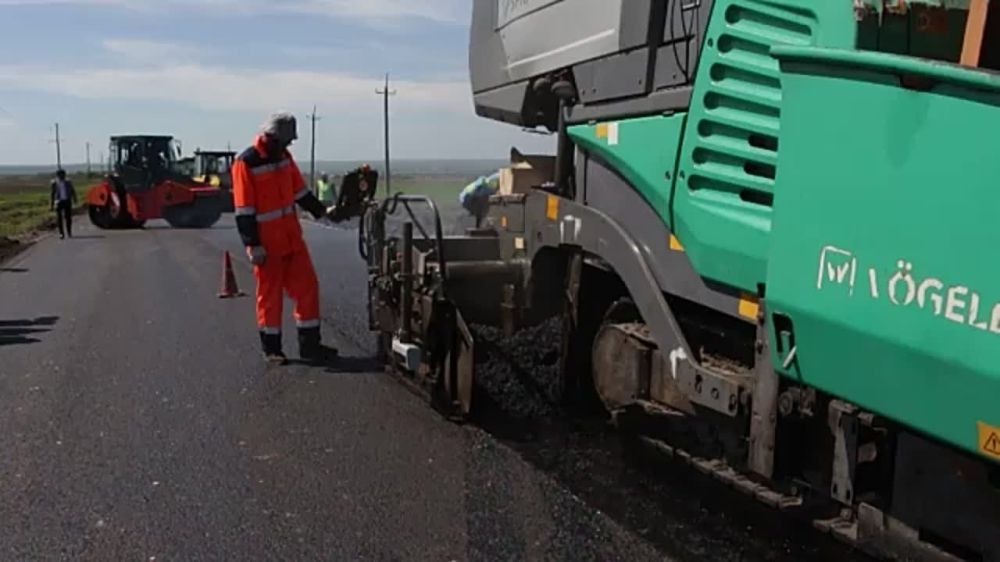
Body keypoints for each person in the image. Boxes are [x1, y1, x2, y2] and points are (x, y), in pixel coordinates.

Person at [231, 112, 340, 366]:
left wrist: (322, 211)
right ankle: (272, 349)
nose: (288, 146)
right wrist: (252, 244)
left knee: (308, 289)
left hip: (292, 240)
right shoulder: (245, 163)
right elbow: (243, 209)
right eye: (286, 141)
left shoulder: (284, 158)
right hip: (267, 246)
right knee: (270, 298)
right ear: (271, 138)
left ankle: (310, 347)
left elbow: (300, 192)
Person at [49, 169, 77, 239]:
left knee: (68, 218)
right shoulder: (54, 183)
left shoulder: (68, 182)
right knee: (59, 218)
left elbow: (73, 190)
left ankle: (69, 232)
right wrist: (52, 205)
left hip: (67, 201)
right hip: (59, 202)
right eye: (60, 175)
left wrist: (75, 199)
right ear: (58, 176)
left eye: (63, 175)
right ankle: (61, 233)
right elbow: (52, 194)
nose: (62, 176)